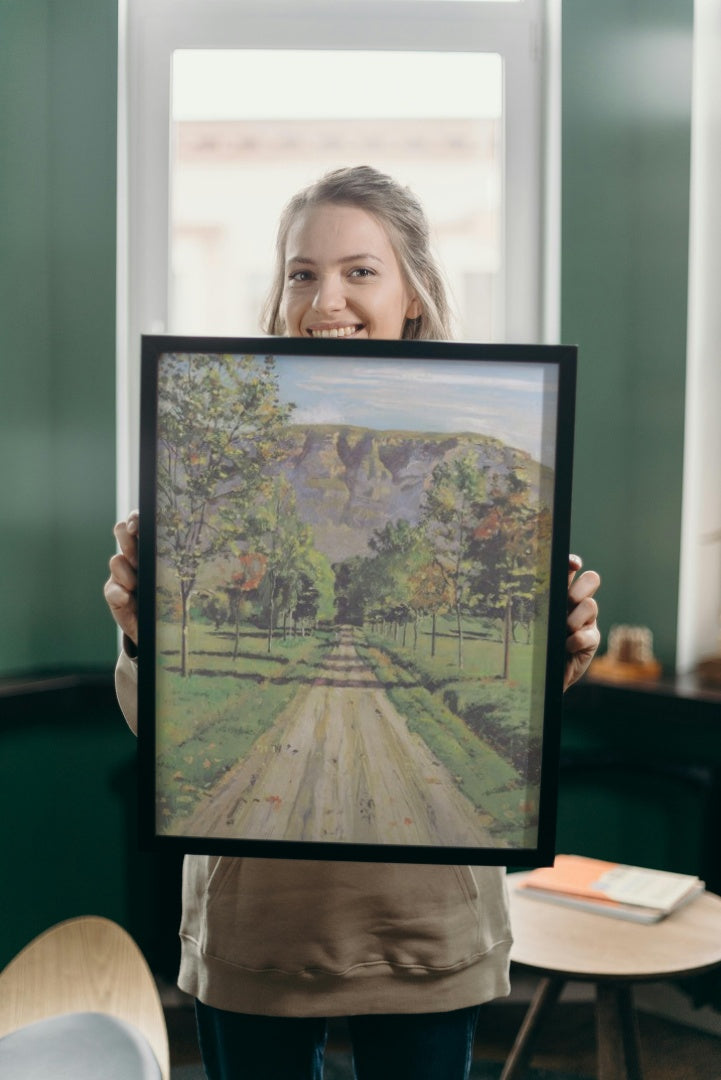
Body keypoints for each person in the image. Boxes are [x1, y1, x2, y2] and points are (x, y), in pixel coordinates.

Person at [105, 166, 601, 1080]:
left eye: (359, 271)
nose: (324, 298)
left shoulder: (500, 464)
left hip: (426, 925)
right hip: (255, 928)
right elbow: (163, 736)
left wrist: (555, 656)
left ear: (413, 292)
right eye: (301, 272)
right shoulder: (210, 458)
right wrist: (143, 637)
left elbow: (529, 720)